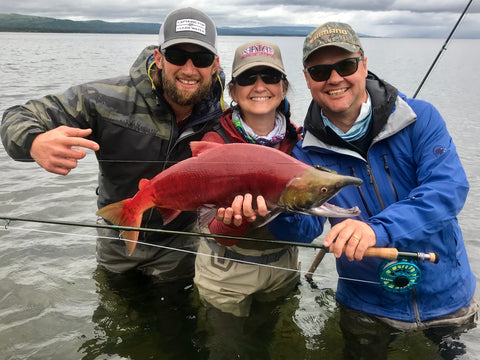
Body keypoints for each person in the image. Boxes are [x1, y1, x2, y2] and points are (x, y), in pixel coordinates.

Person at [267, 22, 478, 358]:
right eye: (320, 71)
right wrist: (271, 211)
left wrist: (375, 230)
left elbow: (447, 191)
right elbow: (306, 227)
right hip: (365, 306)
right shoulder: (303, 153)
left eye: (346, 65)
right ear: (307, 79)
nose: (334, 78)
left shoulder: (421, 118)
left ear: (364, 65)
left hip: (448, 299)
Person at [0, 7, 225, 284]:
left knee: (175, 315)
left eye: (201, 58)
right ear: (159, 57)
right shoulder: (105, 98)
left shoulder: (223, 115)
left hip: (180, 241)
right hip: (116, 234)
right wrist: (33, 141)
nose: (189, 69)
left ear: (214, 65)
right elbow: (17, 116)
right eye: (177, 56)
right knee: (114, 309)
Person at [193, 40, 303, 357]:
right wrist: (236, 223)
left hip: (282, 267)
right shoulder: (214, 141)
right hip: (226, 271)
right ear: (232, 89)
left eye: (269, 78)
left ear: (283, 87)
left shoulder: (299, 140)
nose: (259, 86)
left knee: (269, 338)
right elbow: (216, 231)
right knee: (226, 346)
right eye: (248, 78)